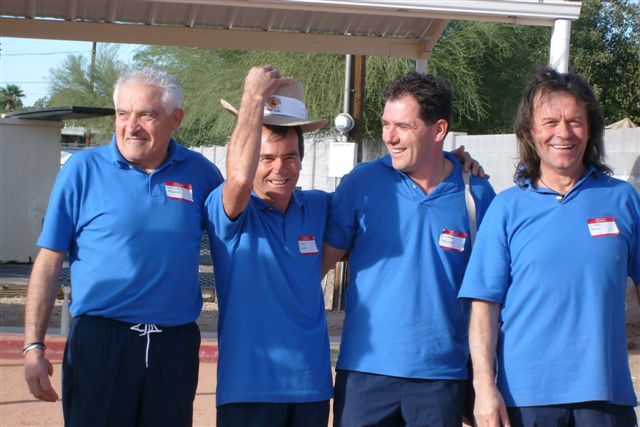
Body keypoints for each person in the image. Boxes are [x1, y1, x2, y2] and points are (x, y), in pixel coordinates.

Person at [23, 67, 224, 427]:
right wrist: (33, 346)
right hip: (99, 344)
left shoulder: (202, 174)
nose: (131, 126)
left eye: (146, 114)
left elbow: (236, 240)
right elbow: (49, 260)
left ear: (175, 119)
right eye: (122, 113)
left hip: (174, 346)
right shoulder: (82, 170)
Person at [459, 68, 639, 427]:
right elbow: (484, 307)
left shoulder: (622, 200)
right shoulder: (506, 208)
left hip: (606, 397)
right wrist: (483, 388)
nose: (563, 132)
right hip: (524, 401)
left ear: (590, 129)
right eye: (550, 122)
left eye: (575, 121)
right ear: (530, 131)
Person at [322, 71, 496, 426]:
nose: (389, 136)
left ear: (439, 129)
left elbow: (488, 293)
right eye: (386, 124)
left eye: (403, 126)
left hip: (441, 377)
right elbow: (317, 267)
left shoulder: (476, 194)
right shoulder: (361, 184)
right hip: (364, 373)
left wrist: (484, 378)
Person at [205, 65, 333, 426]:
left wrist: (449, 162)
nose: (280, 168)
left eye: (290, 157)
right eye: (267, 158)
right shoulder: (229, 209)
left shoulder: (319, 207)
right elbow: (239, 179)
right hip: (248, 390)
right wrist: (253, 98)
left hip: (311, 388)